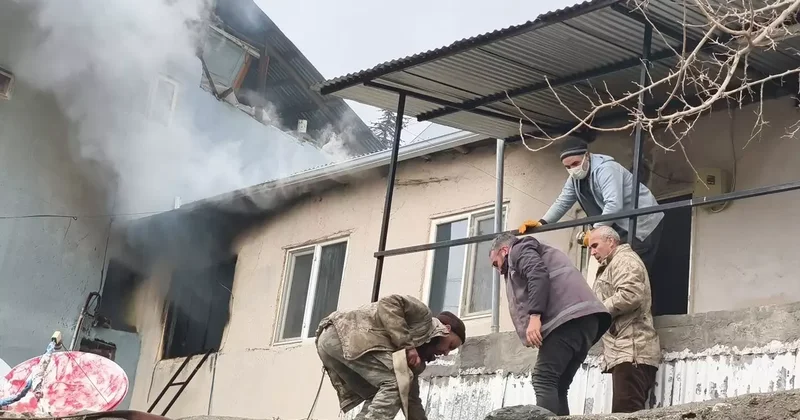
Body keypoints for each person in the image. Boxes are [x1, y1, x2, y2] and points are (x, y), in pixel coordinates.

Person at [488, 232, 611, 416]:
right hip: (587, 321)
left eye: (495, 263)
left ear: (504, 250)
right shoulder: (533, 252)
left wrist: (535, 316)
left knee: (543, 379)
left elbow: (537, 274)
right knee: (558, 384)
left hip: (569, 320)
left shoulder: (518, 250)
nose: (498, 270)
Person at [518, 136, 664, 275]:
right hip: (618, 226)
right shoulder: (575, 179)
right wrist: (542, 222)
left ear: (587, 155)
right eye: (567, 166)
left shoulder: (606, 169)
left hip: (642, 224)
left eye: (575, 164)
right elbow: (562, 202)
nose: (572, 169)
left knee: (634, 271)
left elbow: (614, 204)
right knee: (616, 271)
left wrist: (594, 233)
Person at [315, 294, 465, 420]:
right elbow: (388, 303)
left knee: (380, 394)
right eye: (451, 346)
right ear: (446, 329)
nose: (446, 353)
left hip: (331, 343)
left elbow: (410, 398)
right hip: (342, 334)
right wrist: (408, 346)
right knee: (395, 382)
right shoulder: (423, 317)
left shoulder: (414, 359)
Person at [587, 226, 661, 413]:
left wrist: (598, 310)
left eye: (595, 245)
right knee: (626, 413)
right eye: (590, 248)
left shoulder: (624, 260)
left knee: (625, 414)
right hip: (625, 354)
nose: (592, 252)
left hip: (632, 352)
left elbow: (630, 294)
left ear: (611, 241)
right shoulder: (613, 263)